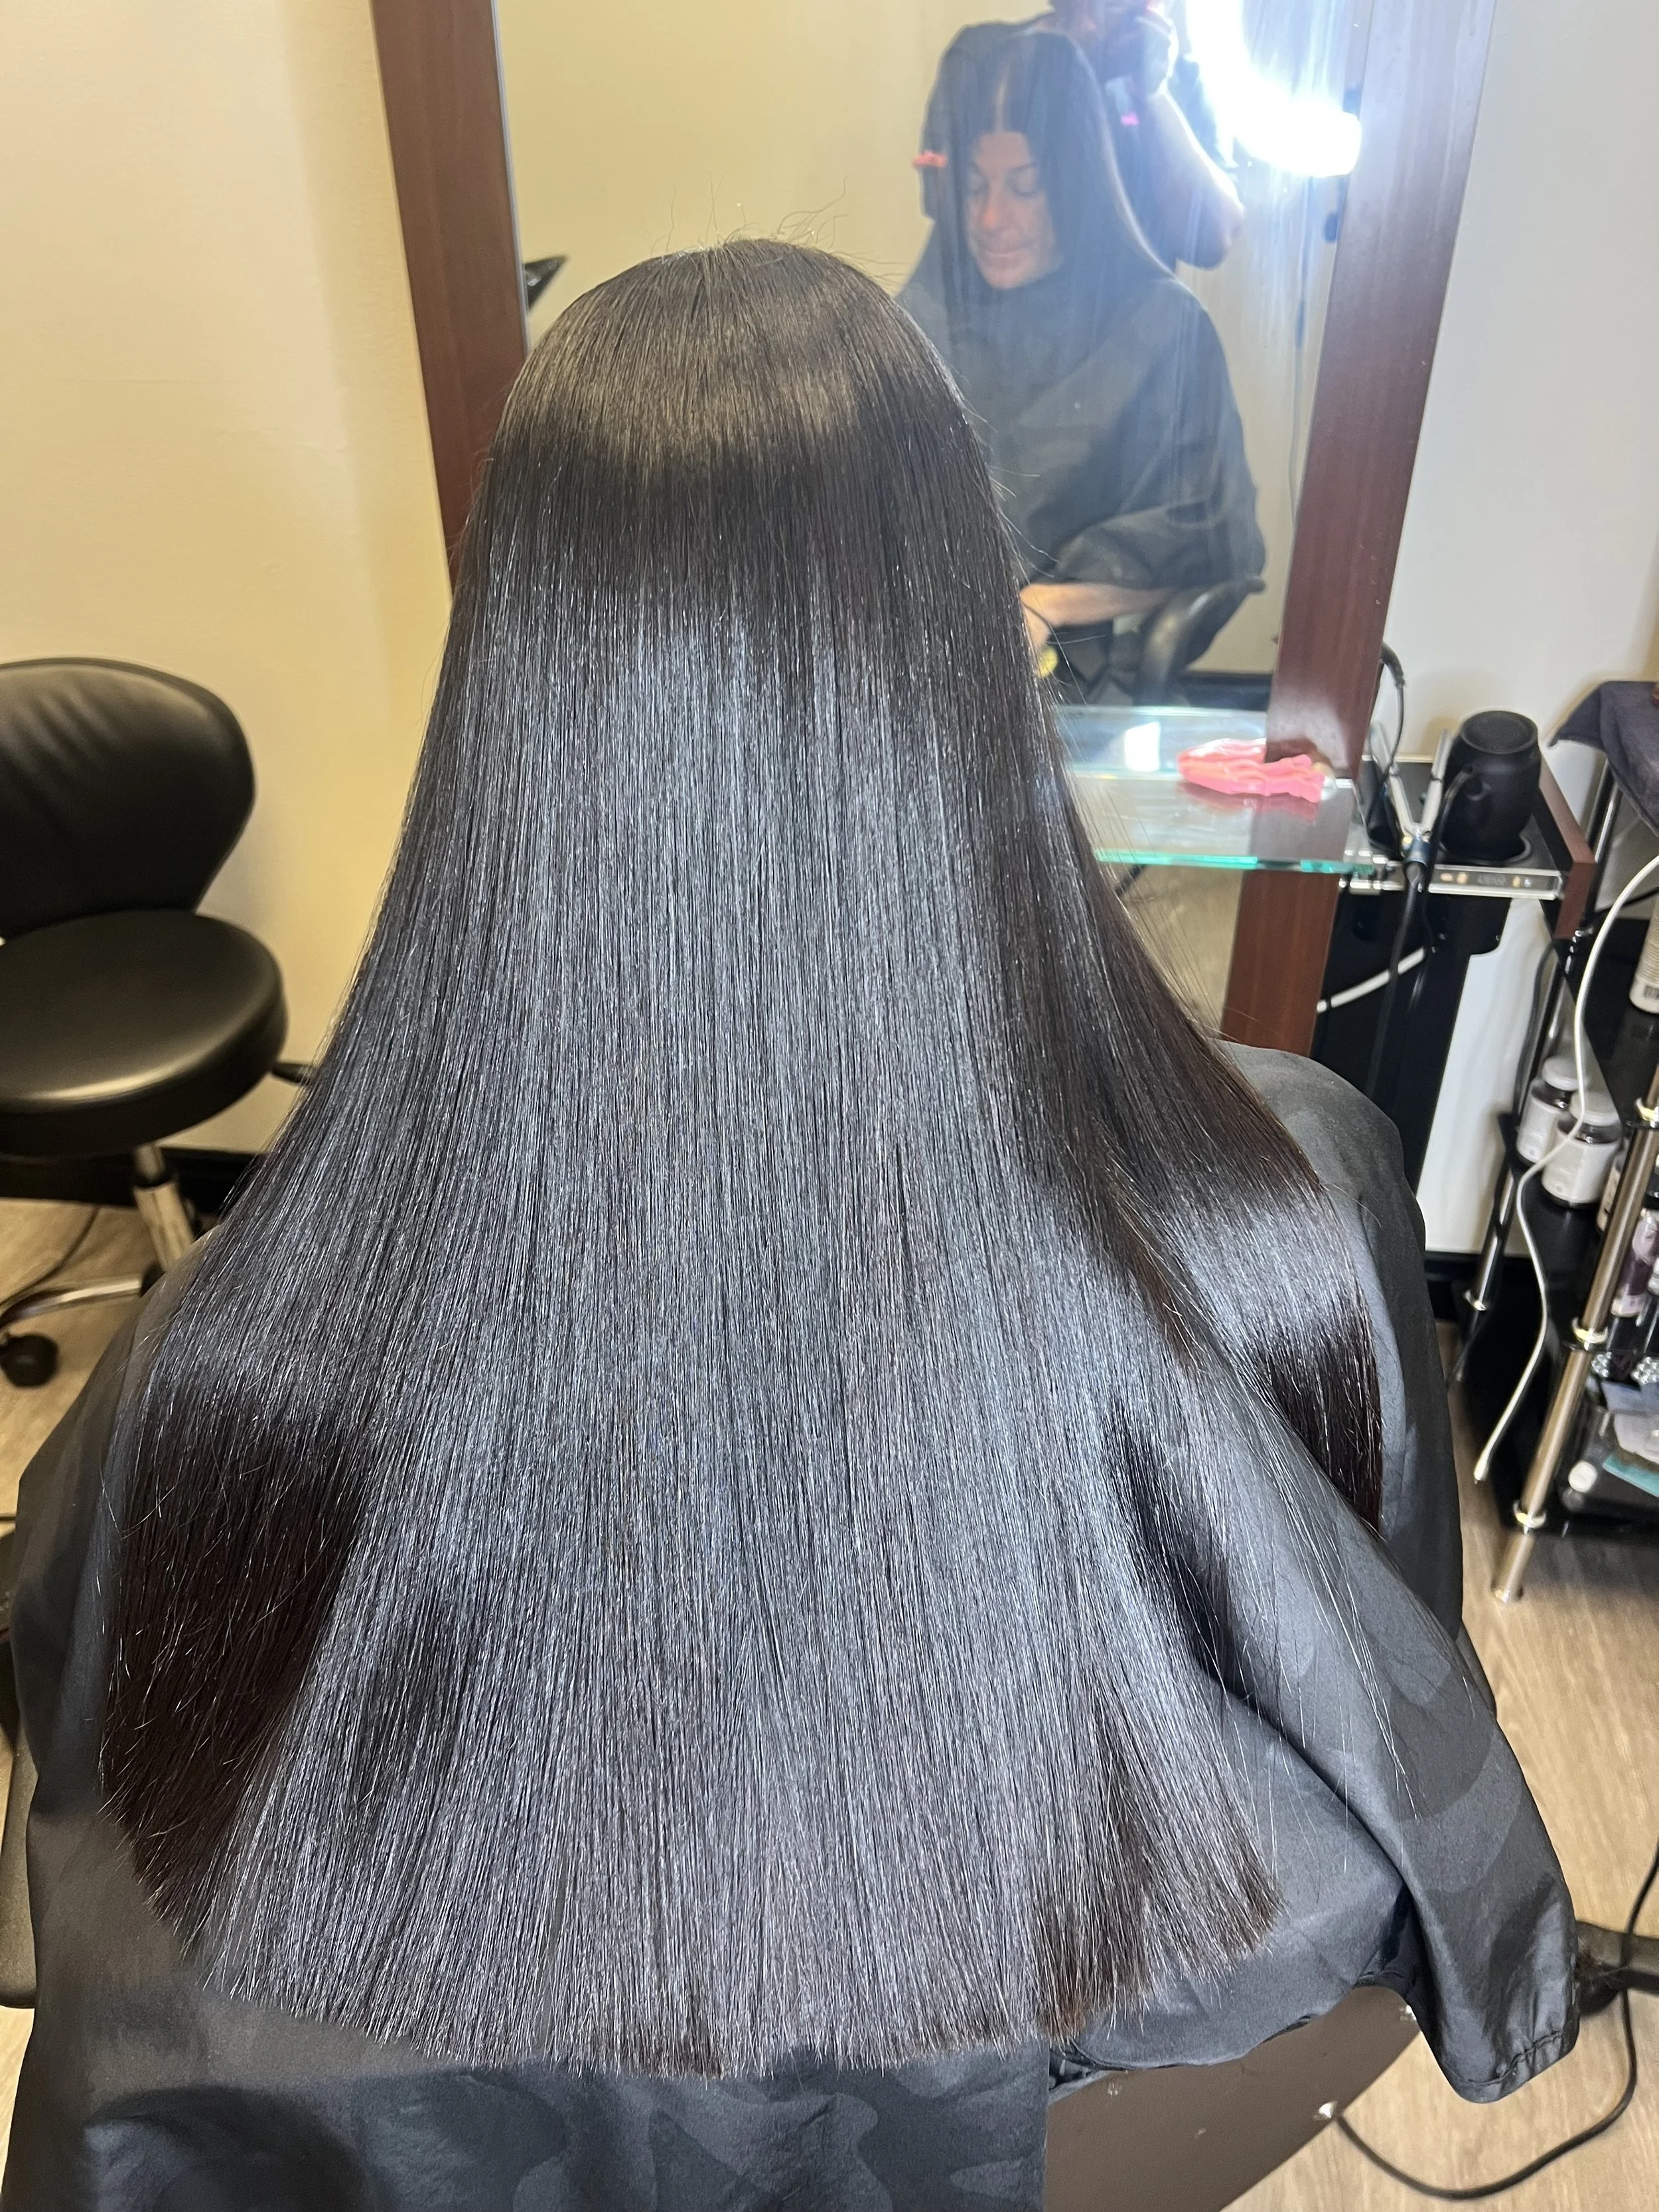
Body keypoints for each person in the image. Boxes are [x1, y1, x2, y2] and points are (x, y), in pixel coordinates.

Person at [5, 240, 1571, 2211]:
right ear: (970, 652)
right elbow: (1383, 1765)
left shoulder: (226, 1352)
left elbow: (118, 1839)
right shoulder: (1291, 1195)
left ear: (513, 697)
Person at [902, 25, 1264, 689]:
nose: (991, 220)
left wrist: (1044, 604)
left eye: (1025, 187)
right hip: (914, 656)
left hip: (1068, 676)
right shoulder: (923, 319)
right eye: (975, 188)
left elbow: (1205, 535)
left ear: (1073, 186)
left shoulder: (1159, 331)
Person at [1041, 1, 1244, 269]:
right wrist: (1073, 64)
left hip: (1139, 307)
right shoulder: (997, 57)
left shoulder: (1187, 80)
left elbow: (1212, 240)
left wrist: (1152, 94)